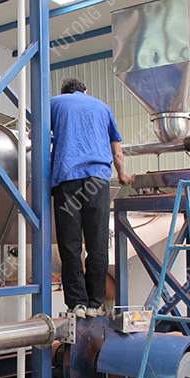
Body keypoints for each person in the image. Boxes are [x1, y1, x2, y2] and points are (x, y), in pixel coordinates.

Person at [51, 77, 130, 319]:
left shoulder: (54, 103)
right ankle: (95, 303)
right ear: (85, 91)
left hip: (67, 179)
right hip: (98, 180)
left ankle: (77, 304)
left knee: (70, 242)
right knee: (97, 241)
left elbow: (35, 136)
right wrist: (122, 175)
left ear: (64, 92)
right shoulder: (103, 107)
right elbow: (117, 150)